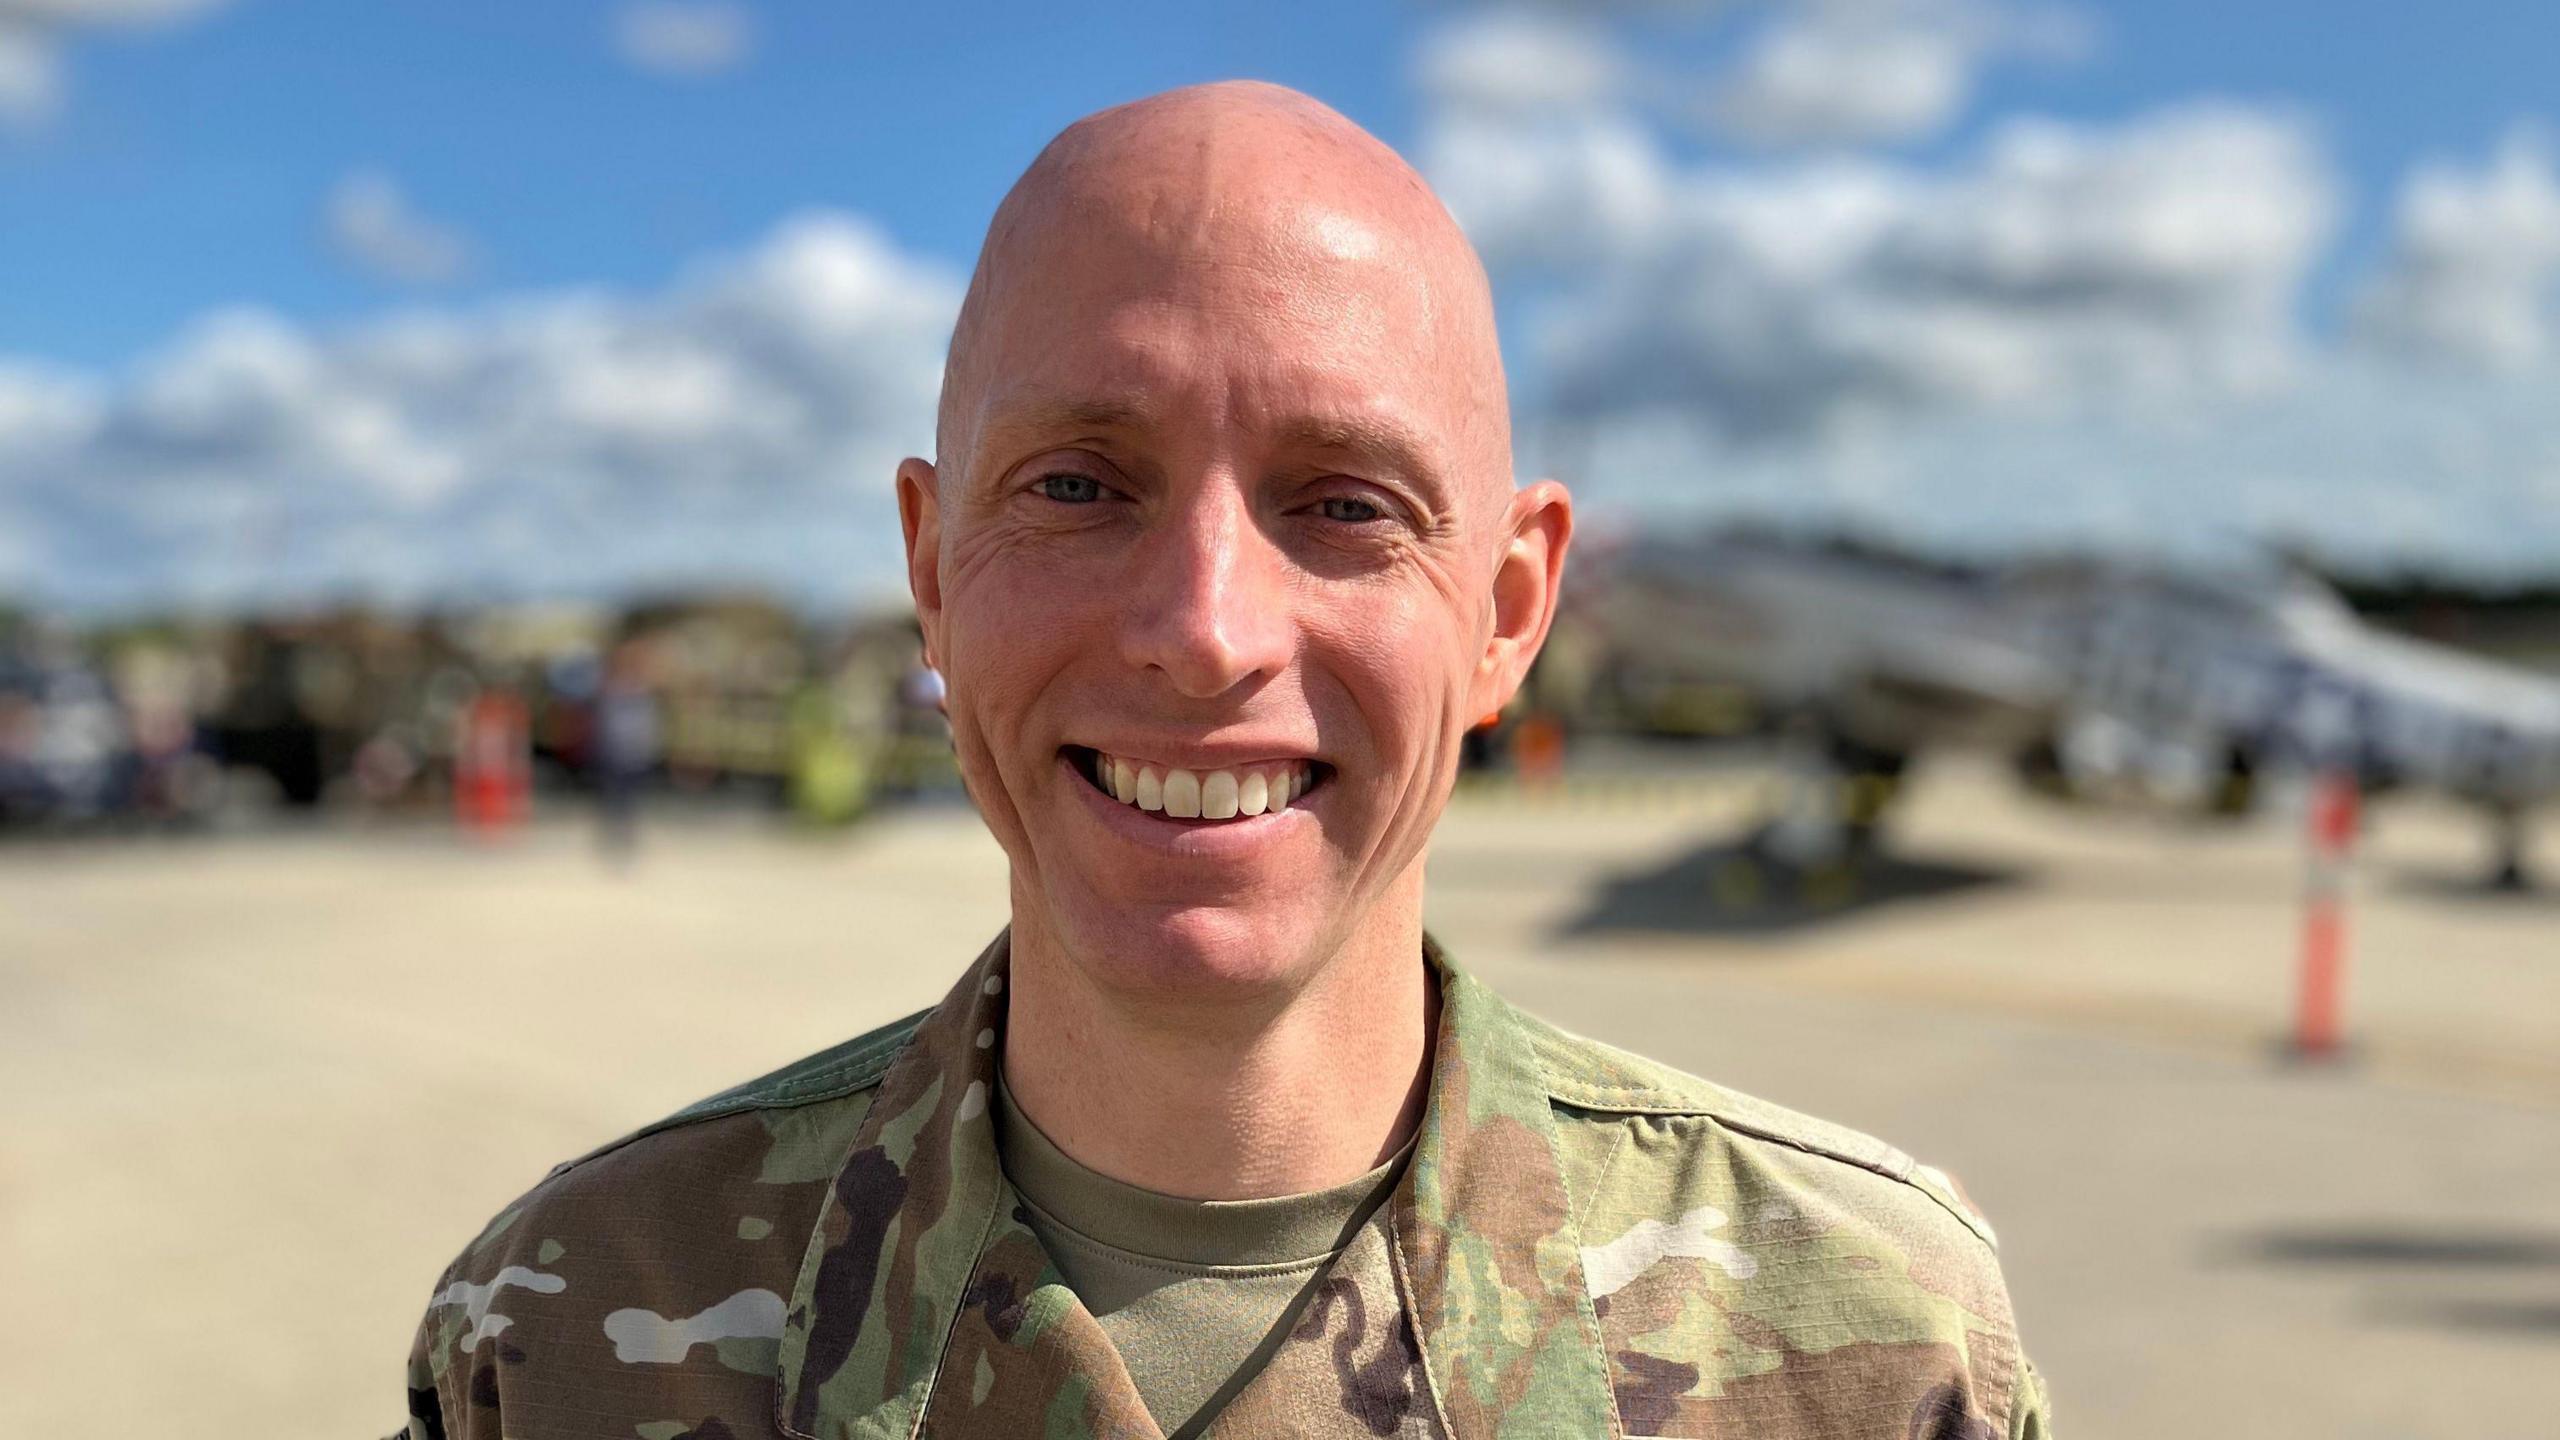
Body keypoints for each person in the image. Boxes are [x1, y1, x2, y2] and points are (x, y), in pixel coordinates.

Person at [398, 82, 2050, 1440]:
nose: (1202, 627)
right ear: (930, 575)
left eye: (1344, 502)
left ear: (1508, 612)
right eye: (1075, 486)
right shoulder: (560, 1335)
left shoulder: (1874, 1351)